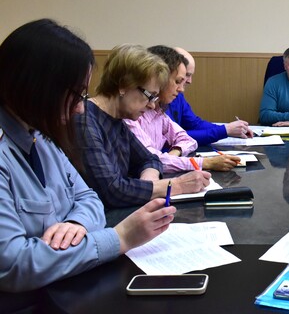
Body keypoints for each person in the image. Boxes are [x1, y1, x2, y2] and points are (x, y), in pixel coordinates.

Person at [0, 19, 176, 294]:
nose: (80, 108)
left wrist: (76, 224)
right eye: (76, 94)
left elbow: (89, 197)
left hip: (66, 284)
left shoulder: (40, 137)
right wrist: (120, 238)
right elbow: (14, 265)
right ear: (36, 86)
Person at [74, 44, 211, 208]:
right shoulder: (84, 120)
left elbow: (150, 159)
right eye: (150, 96)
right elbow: (112, 191)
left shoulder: (117, 119)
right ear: (124, 85)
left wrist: (151, 184)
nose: (152, 105)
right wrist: (177, 185)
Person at [125, 45, 240, 173]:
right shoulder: (131, 115)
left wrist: (175, 152)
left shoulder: (158, 112)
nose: (181, 89)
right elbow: (150, 161)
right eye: (178, 81)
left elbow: (187, 139)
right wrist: (206, 163)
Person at [166, 47, 254, 145]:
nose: (189, 81)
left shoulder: (178, 95)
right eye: (186, 75)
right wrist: (225, 131)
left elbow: (195, 124)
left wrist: (230, 129)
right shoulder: (157, 104)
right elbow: (176, 137)